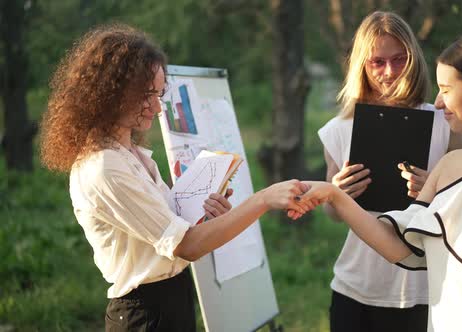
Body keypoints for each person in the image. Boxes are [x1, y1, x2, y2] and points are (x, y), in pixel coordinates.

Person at [39, 24, 311, 332]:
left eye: (159, 94)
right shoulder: (104, 166)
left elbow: (172, 234)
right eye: (145, 95)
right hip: (145, 313)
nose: (156, 108)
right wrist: (263, 200)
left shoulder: (130, 152)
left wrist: (205, 217)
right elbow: (187, 246)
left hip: (171, 300)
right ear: (110, 92)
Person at [297, 30, 462, 331]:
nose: (437, 103)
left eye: (446, 89)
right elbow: (401, 246)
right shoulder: (451, 165)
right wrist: (334, 195)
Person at [317, 11, 462, 332]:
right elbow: (331, 213)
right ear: (362, 64)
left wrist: (436, 191)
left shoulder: (445, 121)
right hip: (354, 287)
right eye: (377, 62)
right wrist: (336, 194)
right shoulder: (339, 129)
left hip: (423, 289)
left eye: (400, 59)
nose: (390, 72)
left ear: (413, 58)